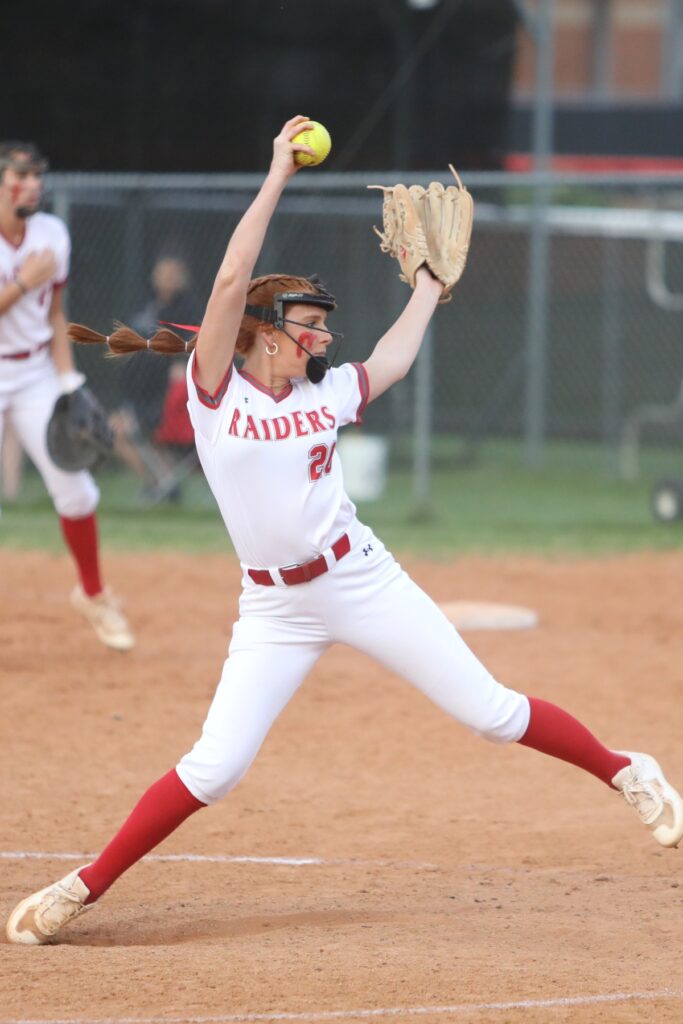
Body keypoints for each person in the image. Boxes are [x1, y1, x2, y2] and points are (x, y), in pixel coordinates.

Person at [6, 115, 682, 945]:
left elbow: (391, 361)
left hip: (358, 577)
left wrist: (428, 286)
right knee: (215, 767)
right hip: (273, 610)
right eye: (305, 324)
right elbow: (226, 286)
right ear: (262, 337)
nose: (320, 335)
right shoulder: (222, 392)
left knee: (491, 713)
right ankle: (82, 888)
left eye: (322, 325)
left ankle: (626, 771)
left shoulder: (326, 395)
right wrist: (275, 176)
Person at [0, 141, 134, 651]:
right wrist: (21, 283)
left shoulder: (52, 233)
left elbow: (55, 314)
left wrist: (68, 381)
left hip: (35, 370)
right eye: (20, 175)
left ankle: (94, 595)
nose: (33, 184)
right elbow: (20, 295)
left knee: (76, 490)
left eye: (37, 176)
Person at [109, 254, 200, 502]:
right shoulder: (143, 304)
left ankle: (163, 485)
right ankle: (161, 483)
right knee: (115, 431)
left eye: (173, 275)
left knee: (126, 430)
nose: (167, 280)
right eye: (163, 273)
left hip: (167, 397)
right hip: (136, 392)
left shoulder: (187, 313)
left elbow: (189, 353)